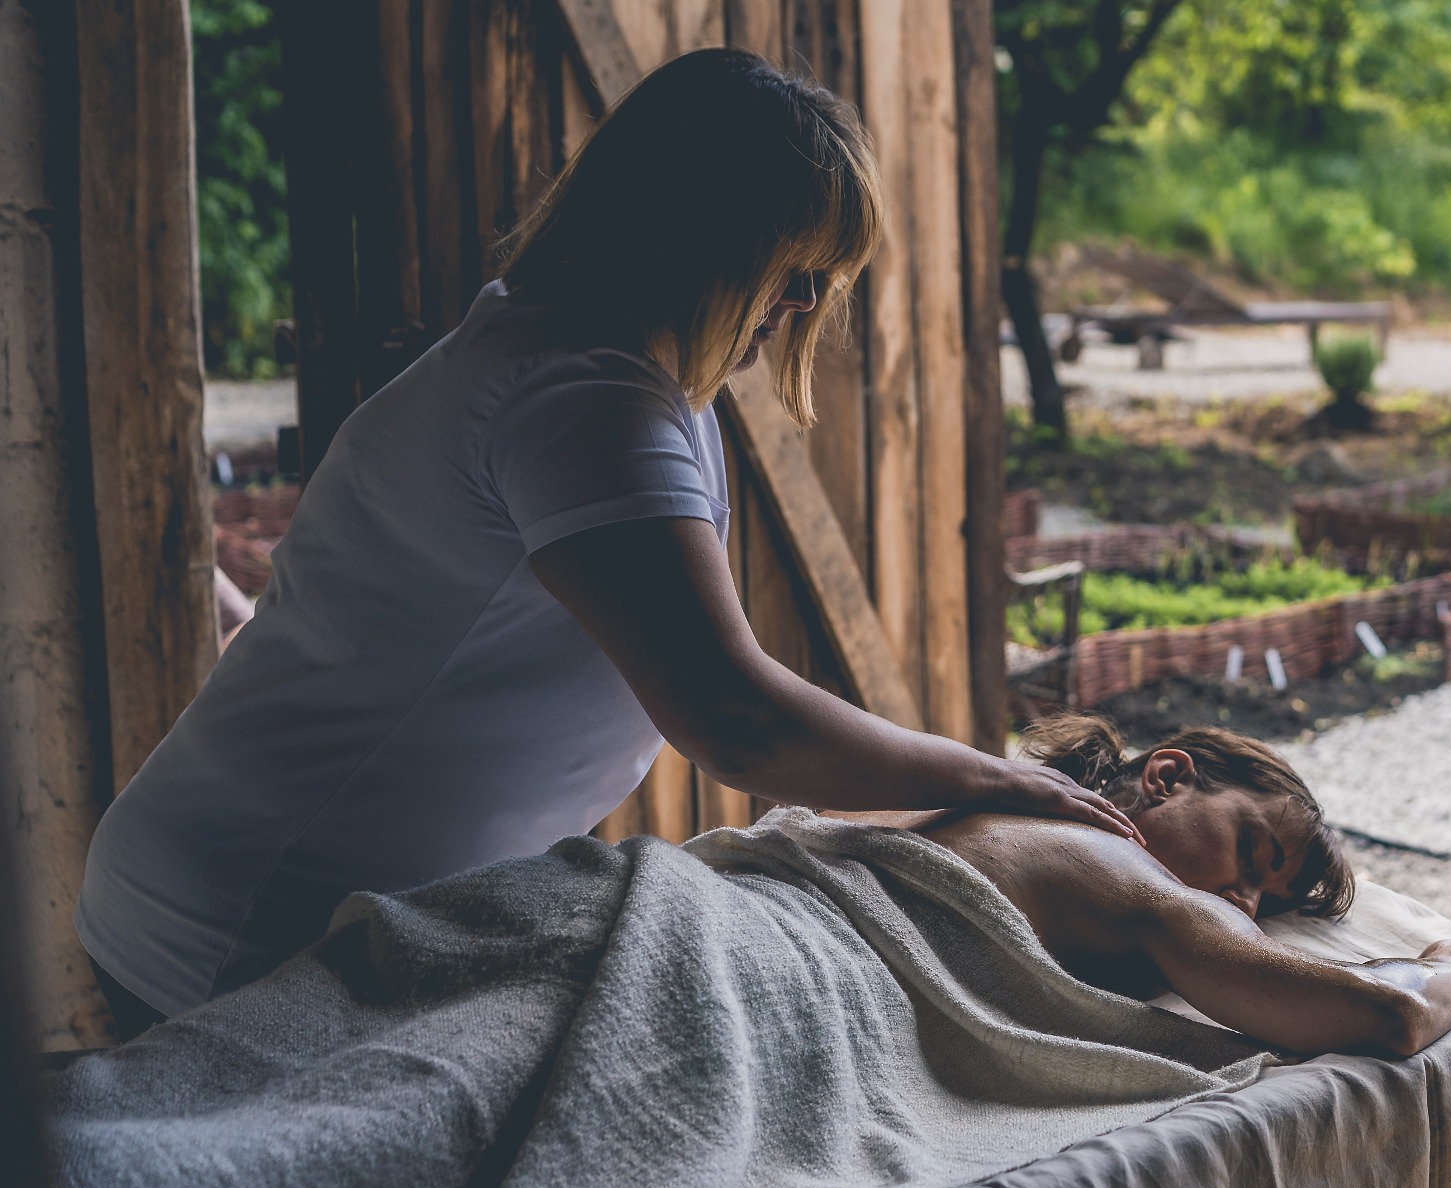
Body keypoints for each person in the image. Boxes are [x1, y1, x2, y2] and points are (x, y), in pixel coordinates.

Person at [73, 49, 1137, 1041]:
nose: (807, 298)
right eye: (794, 262)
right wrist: (998, 779)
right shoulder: (585, 400)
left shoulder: (584, 362)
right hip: (241, 918)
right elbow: (734, 719)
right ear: (701, 233)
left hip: (270, 891)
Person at [866, 717, 1451, 1056]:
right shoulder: (1108, 859)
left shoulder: (971, 808)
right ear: (1167, 778)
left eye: (1264, 904)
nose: (1241, 903)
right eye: (1249, 850)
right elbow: (1392, 1013)